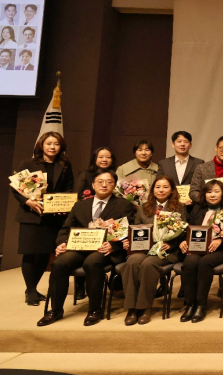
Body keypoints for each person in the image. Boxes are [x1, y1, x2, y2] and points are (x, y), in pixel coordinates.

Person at [37, 170, 136, 327]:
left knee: (92, 263)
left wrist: (114, 245)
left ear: (114, 185)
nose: (104, 185)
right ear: (93, 184)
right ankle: (55, 310)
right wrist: (62, 243)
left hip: (103, 250)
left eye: (109, 182)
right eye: (100, 181)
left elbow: (129, 231)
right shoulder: (80, 205)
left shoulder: (123, 205)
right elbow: (66, 228)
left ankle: (95, 310)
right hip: (79, 248)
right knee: (59, 264)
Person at [14, 132, 74, 306]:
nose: (52, 147)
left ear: (60, 147)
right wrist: (27, 202)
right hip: (31, 215)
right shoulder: (29, 163)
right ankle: (31, 290)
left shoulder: (64, 164)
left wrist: (64, 206)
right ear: (41, 145)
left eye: (56, 144)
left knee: (44, 253)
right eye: (49, 143)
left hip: (52, 216)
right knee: (30, 252)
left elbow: (68, 188)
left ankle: (32, 288)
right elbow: (16, 189)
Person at [120, 175, 188, 325]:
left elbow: (183, 231)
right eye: (158, 187)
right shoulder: (143, 207)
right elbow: (137, 229)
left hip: (167, 250)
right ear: (153, 190)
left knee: (148, 264)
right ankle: (132, 308)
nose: (161, 190)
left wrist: (172, 245)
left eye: (165, 187)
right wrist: (130, 243)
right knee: (132, 261)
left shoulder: (180, 207)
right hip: (144, 248)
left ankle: (145, 307)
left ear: (171, 190)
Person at [179, 180, 223, 323]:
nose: (212, 195)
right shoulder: (198, 208)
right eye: (209, 192)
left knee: (205, 263)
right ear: (204, 194)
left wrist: (221, 240)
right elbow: (188, 228)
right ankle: (190, 304)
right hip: (199, 247)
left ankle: (201, 304)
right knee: (189, 262)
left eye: (216, 191)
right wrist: (184, 240)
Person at [189, 135, 223, 205]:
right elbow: (193, 192)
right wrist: (208, 200)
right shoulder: (201, 168)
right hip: (204, 209)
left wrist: (222, 200)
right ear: (216, 148)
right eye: (222, 149)